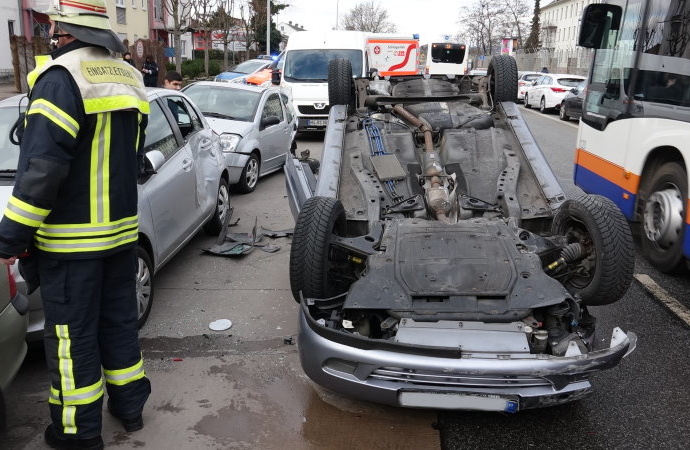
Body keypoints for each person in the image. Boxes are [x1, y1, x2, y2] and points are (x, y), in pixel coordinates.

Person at [0, 1, 151, 448]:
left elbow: (42, 172)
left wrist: (11, 236)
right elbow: (135, 159)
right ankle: (131, 409)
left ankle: (76, 433)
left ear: (63, 32)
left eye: (53, 30)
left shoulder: (60, 79)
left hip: (70, 245)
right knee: (119, 326)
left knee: (71, 340)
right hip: (121, 236)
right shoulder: (131, 78)